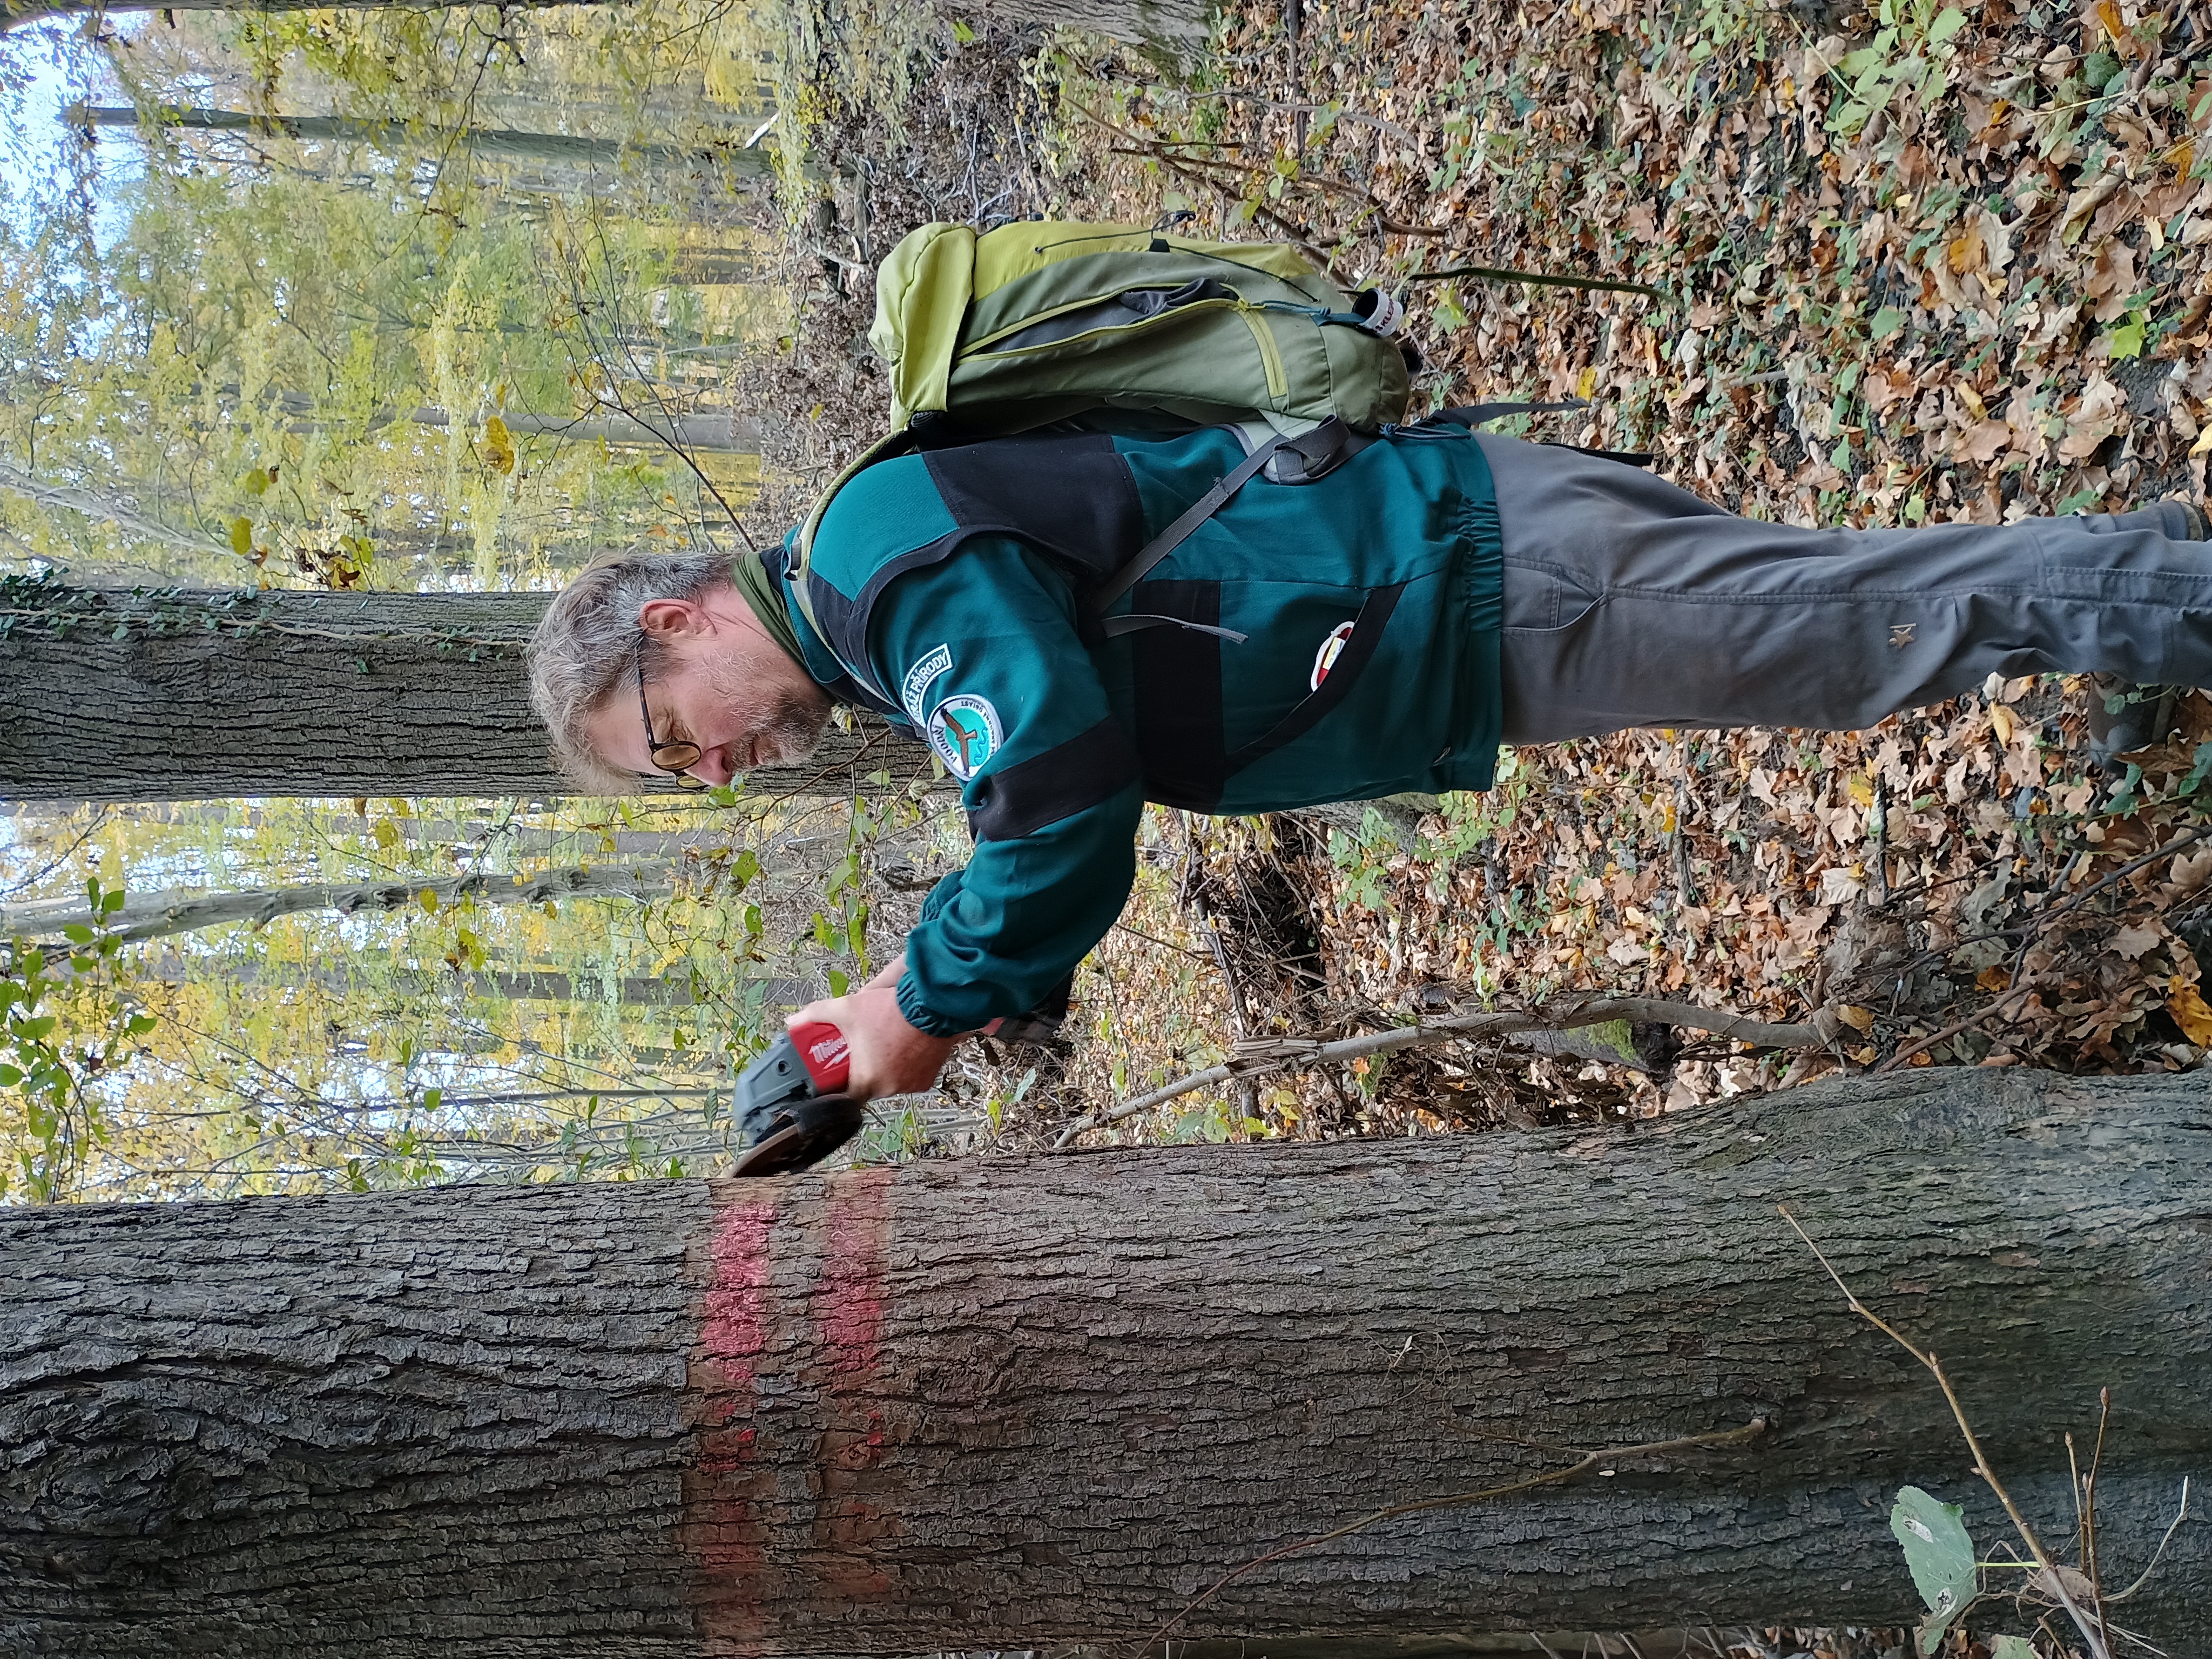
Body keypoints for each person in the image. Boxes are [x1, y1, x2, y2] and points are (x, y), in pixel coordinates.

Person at [526, 420, 2212, 1101]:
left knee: (1862, 634)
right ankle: (2139, 573)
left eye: (671, 740)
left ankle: (2167, 599)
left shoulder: (875, 571)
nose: (712, 772)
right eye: (676, 780)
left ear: (678, 622)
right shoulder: (876, 624)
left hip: (1473, 584)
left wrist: (916, 1002)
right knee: (1858, 618)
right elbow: (1048, 765)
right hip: (1460, 605)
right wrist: (949, 986)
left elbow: (1056, 797)